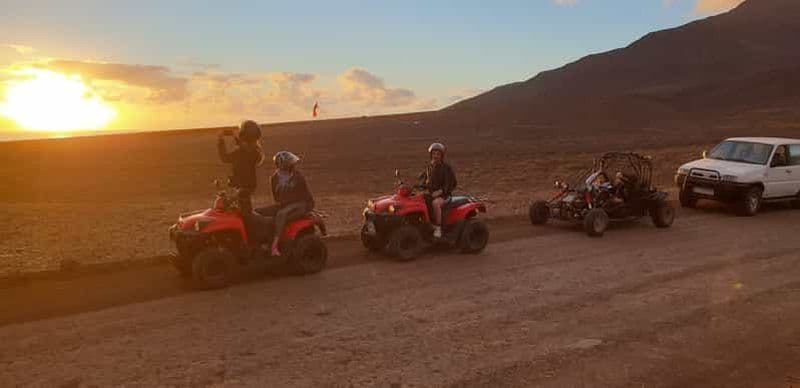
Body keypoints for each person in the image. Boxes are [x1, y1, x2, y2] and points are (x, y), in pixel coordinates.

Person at [256, 151, 315, 256]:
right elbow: (276, 197)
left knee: (281, 214)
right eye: (290, 163)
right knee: (257, 212)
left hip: (300, 204)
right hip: (285, 205)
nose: (292, 165)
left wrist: (307, 207)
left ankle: (274, 246)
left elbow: (305, 194)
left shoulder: (297, 176)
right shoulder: (274, 178)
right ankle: (261, 240)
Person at [217, 120, 265, 215]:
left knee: (241, 214)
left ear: (243, 135)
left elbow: (224, 158)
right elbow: (245, 147)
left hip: (240, 188)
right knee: (246, 212)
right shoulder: (256, 152)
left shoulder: (240, 153)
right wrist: (236, 137)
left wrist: (220, 140)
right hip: (249, 187)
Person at [420, 142, 457, 239]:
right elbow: (423, 181)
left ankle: (438, 228)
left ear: (441, 156)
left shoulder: (446, 168)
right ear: (431, 155)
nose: (435, 156)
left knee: (435, 203)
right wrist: (418, 187)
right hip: (431, 194)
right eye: (434, 154)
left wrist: (440, 192)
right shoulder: (429, 167)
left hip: (444, 195)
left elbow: (451, 184)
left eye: (438, 154)